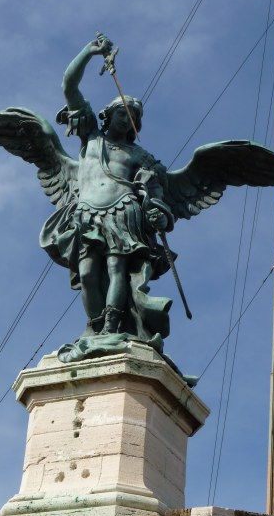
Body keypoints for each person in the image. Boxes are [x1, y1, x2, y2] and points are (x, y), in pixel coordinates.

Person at [41, 35, 175, 339]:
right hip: (87, 213)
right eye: (122, 114)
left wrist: (157, 212)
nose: (127, 121)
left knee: (117, 270)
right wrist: (89, 51)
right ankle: (97, 325)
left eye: (133, 118)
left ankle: (112, 327)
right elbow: (68, 86)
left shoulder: (141, 156)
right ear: (108, 114)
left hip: (123, 212)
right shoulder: (91, 137)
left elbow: (154, 194)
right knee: (88, 274)